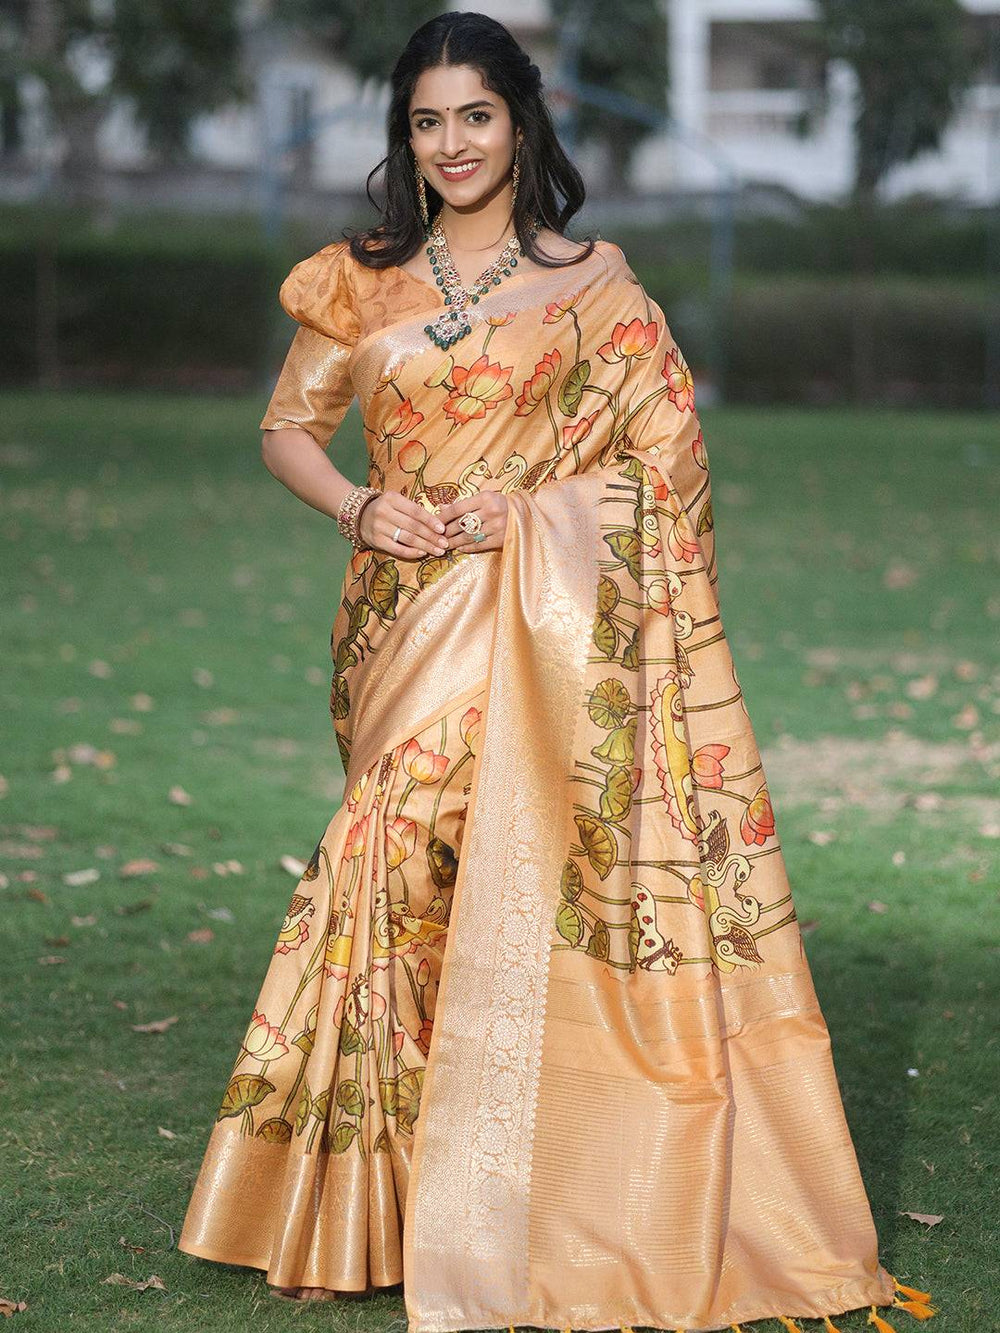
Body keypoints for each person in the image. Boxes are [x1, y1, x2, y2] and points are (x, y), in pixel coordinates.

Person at [177, 12, 937, 1333]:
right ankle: (378, 1202)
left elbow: (668, 469)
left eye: (475, 115)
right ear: (404, 135)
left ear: (520, 123)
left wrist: (524, 518)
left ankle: (516, 1192)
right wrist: (362, 508)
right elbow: (288, 429)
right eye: (427, 120)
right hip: (400, 618)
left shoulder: (595, 288)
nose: (452, 143)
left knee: (470, 865)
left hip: (548, 622)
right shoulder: (359, 280)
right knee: (399, 868)